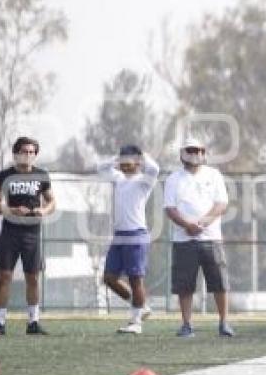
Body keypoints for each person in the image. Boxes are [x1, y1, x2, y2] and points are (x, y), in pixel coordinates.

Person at [164, 137, 233, 338]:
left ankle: (224, 323)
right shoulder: (173, 179)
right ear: (182, 154)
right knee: (184, 286)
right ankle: (186, 324)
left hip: (211, 238)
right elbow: (170, 208)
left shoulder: (214, 174)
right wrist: (187, 225)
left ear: (204, 153)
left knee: (220, 282)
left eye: (199, 150)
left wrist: (202, 224)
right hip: (183, 240)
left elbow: (221, 204)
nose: (196, 154)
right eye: (191, 150)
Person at [0, 136, 56, 336]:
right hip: (10, 231)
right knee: (4, 276)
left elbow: (52, 202)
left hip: (32, 232)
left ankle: (33, 322)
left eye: (31, 152)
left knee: (33, 277)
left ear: (35, 155)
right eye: (24, 152)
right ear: (16, 153)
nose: (27, 156)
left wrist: (43, 211)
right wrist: (11, 210)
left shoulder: (42, 175)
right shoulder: (5, 175)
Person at [98, 144, 160, 334]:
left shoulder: (144, 181)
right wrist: (116, 158)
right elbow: (101, 168)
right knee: (109, 278)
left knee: (135, 279)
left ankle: (136, 322)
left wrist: (142, 154)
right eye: (122, 161)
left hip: (136, 235)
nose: (125, 165)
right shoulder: (118, 179)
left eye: (129, 161)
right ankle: (142, 307)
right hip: (119, 236)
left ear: (137, 162)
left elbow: (154, 169)